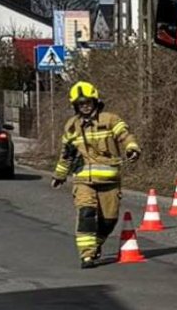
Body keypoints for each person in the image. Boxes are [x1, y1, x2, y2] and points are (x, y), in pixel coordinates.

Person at [51, 81, 141, 268]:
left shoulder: (110, 120)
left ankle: (96, 244)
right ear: (75, 105)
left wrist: (132, 148)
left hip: (109, 180)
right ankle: (87, 256)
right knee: (86, 213)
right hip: (83, 180)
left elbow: (125, 136)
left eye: (88, 102)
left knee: (109, 220)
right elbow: (66, 153)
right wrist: (59, 175)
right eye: (80, 103)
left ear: (95, 101)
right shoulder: (71, 126)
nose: (85, 105)